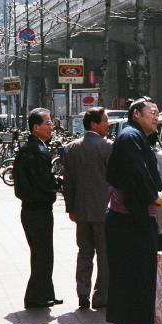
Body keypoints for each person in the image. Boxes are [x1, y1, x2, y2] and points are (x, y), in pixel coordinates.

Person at [105, 97, 162, 324]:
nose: (156, 116)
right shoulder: (131, 137)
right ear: (136, 114)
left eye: (157, 112)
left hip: (126, 218)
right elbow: (137, 172)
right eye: (152, 112)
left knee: (127, 273)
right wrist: (153, 196)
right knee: (140, 273)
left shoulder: (132, 137)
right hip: (132, 218)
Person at [13, 108, 63, 309]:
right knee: (43, 253)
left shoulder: (29, 148)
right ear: (36, 127)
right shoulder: (38, 150)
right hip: (38, 209)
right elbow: (44, 181)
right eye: (48, 123)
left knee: (41, 252)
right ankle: (36, 296)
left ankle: (45, 292)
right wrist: (56, 184)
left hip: (31, 208)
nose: (51, 126)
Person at [62, 107, 112, 309]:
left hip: (81, 211)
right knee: (104, 254)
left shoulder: (71, 148)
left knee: (84, 252)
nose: (108, 124)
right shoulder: (108, 147)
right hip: (104, 210)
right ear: (94, 124)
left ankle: (83, 293)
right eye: (105, 120)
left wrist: (70, 208)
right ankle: (101, 296)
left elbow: (68, 182)